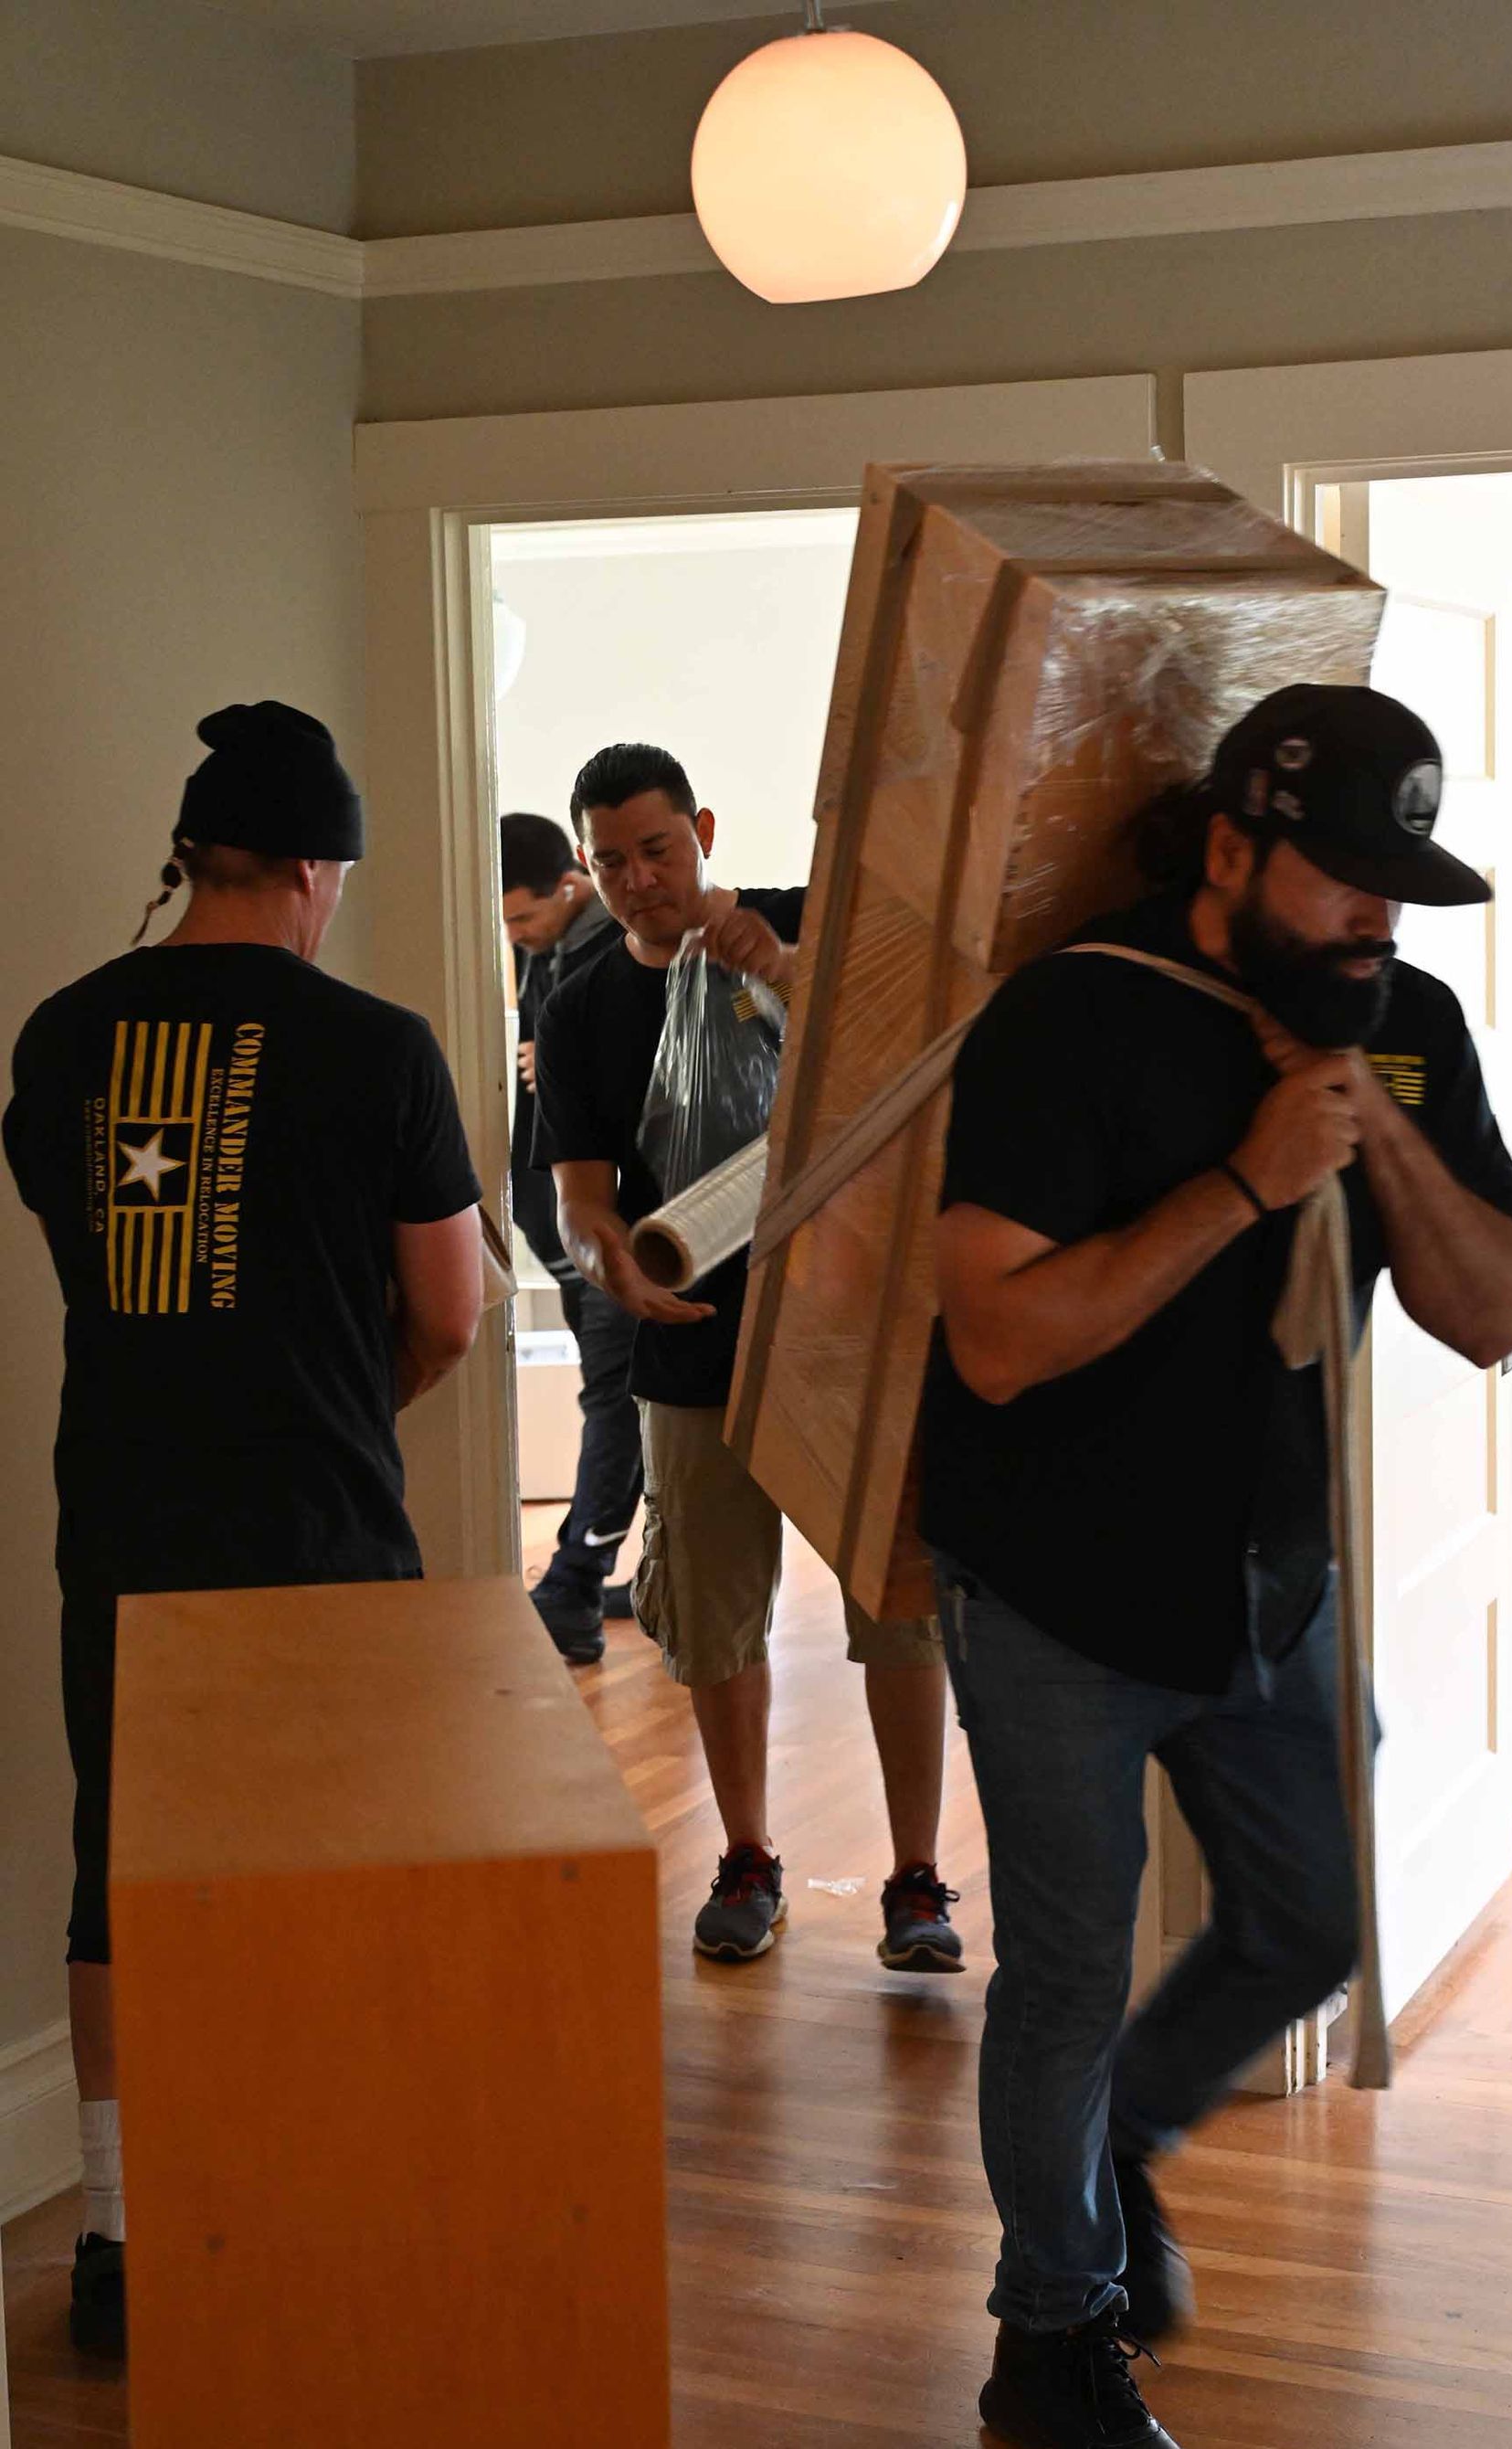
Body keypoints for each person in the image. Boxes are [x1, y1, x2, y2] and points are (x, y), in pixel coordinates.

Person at [922, 684, 1512, 2449]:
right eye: (1343, 884)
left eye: (1398, 891)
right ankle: (1054, 2336)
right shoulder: (1073, 1020)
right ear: (1229, 850)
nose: (1377, 923)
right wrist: (1244, 1179)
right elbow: (1000, 1340)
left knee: (1306, 1929)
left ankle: (1113, 2146)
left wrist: (1377, 1135)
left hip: (1270, 1585)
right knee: (1060, 1975)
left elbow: (1496, 1303)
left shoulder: (1401, 1024)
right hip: (1053, 1588)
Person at [4, 703, 484, 2359]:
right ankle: (311, 2203)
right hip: (318, 1526)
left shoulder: (60, 1040)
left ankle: (120, 2238)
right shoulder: (383, 1051)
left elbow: (101, 1268)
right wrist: (352, 1396)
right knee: (325, 1879)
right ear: (305, 866)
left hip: (123, 1519)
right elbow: (455, 1313)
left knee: (117, 1890)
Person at [534, 742, 962, 1973]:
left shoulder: (799, 928)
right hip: (694, 1349)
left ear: (704, 830)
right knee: (715, 1619)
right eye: (610, 861)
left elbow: (907, 1058)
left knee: (898, 1611)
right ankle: (748, 1855)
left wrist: (776, 967)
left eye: (657, 850)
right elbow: (581, 1193)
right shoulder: (581, 1011)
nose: (636, 881)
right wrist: (607, 1253)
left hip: (850, 1338)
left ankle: (919, 1879)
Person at [501, 811, 643, 1662]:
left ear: (570, 887)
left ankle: (573, 1591)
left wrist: (553, 1053)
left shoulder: (611, 955)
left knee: (614, 1398)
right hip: (566, 1225)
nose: (514, 935)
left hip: (616, 1227)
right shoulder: (547, 952)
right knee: (618, 1395)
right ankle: (623, 1574)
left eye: (522, 918)